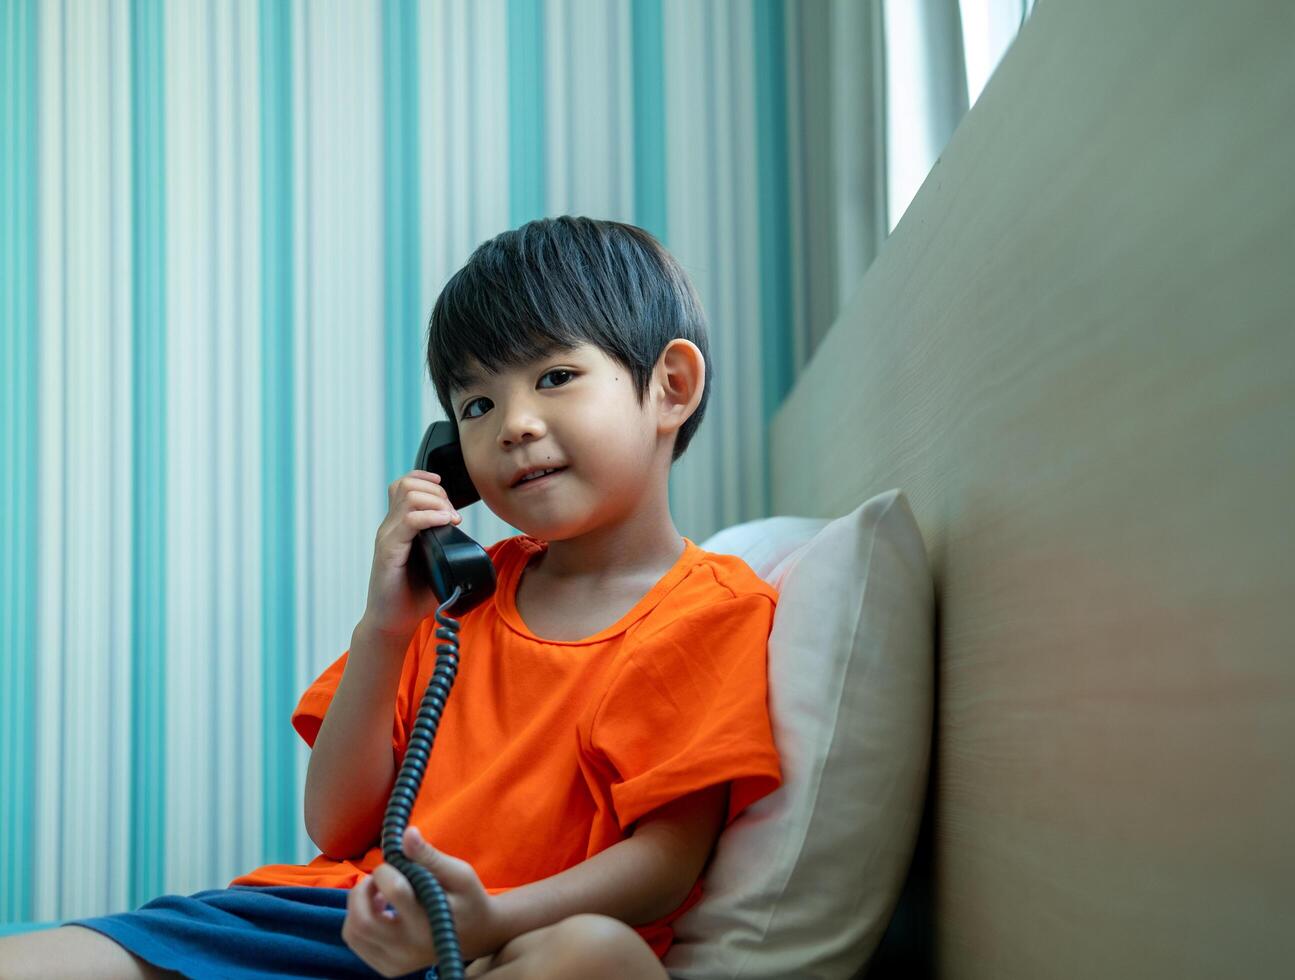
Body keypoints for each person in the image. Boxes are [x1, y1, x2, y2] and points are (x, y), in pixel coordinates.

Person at [0, 217, 783, 979]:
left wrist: (492, 921)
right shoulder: (453, 604)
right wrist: (385, 626)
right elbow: (337, 825)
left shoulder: (708, 610)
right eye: (476, 406)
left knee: (597, 956)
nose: (514, 425)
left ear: (671, 388)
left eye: (555, 378)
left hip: (515, 937)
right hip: (341, 921)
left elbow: (666, 864)